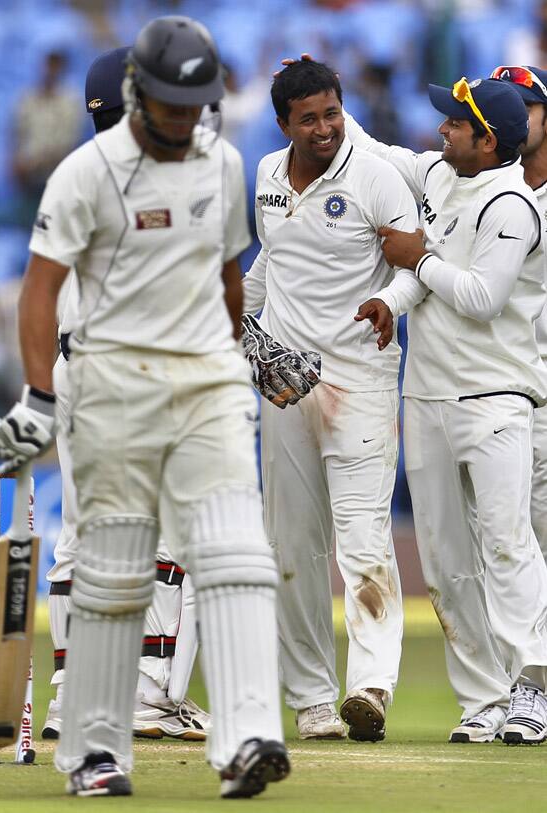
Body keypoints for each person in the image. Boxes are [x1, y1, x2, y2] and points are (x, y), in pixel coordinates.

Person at [0, 16, 289, 799]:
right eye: (170, 104)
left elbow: (228, 278)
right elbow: (39, 293)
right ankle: (92, 751)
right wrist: (38, 395)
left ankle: (248, 735)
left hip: (204, 380)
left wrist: (232, 359)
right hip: (113, 383)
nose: (186, 120)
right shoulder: (86, 175)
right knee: (115, 570)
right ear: (136, 96)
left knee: (234, 552)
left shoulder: (222, 164)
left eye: (197, 104)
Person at [341, 73, 547, 745]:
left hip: (495, 397)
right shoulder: (435, 174)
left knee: (507, 543)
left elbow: (483, 296)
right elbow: (373, 149)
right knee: (447, 559)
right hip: (426, 395)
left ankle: (534, 688)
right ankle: (483, 700)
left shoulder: (511, 204)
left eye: (456, 123)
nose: (441, 129)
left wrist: (418, 259)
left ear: (489, 141)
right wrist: (328, 104)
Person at [242, 59, 419, 742]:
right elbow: (270, 263)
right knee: (292, 546)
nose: (324, 128)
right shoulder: (264, 176)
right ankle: (313, 700)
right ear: (283, 122)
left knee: (364, 539)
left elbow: (413, 265)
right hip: (287, 387)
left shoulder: (375, 175)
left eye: (332, 113)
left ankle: (370, 686)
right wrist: (231, 320)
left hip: (362, 380)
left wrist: (389, 301)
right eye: (308, 118)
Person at [43, 45, 210, 745]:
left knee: (81, 537)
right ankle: (142, 691)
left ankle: (71, 694)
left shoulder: (77, 177)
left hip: (76, 372)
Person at [489, 65, 547, 560]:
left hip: (542, 394)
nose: (509, 117)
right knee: (499, 558)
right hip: (494, 388)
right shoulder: (474, 184)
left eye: (525, 108)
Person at [11, 50, 82, 227]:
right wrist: (17, 163)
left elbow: (69, 144)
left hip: (56, 176)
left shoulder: (70, 101)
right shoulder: (27, 98)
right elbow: (17, 136)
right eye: (48, 65)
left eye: (55, 66)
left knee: (53, 229)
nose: (50, 70)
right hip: (28, 180)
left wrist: (39, 162)